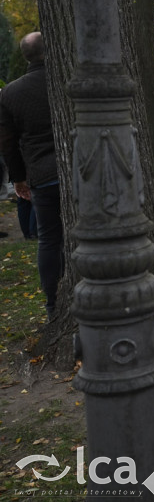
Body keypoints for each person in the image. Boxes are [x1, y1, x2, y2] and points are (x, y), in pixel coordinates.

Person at [0, 32, 64, 320]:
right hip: (74, 168)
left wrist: (18, 178)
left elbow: (8, 141)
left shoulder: (11, 92)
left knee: (49, 239)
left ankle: (52, 303)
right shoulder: (63, 80)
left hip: (41, 174)